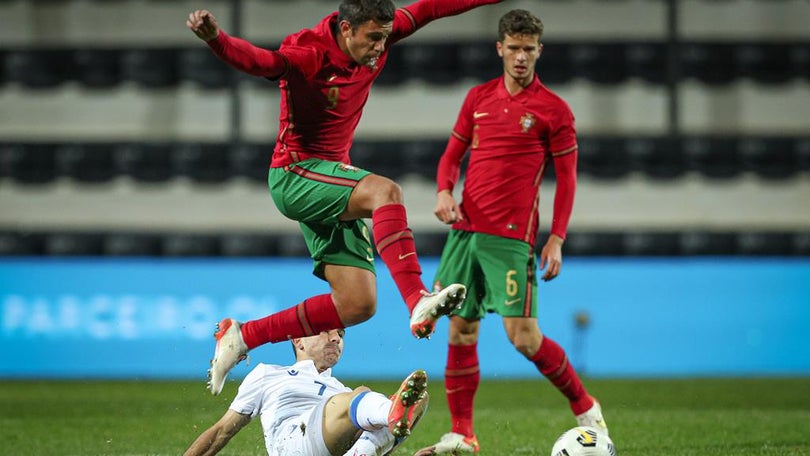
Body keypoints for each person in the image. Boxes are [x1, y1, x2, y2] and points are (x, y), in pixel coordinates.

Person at [186, 0, 504, 396]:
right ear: (346, 29)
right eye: (373, 38)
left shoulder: (379, 35)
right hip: (295, 174)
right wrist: (217, 40)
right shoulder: (309, 54)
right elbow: (260, 62)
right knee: (386, 191)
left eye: (385, 37)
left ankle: (243, 336)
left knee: (358, 303)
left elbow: (429, 8)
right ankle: (417, 298)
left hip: (329, 180)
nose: (379, 46)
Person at [414, 9, 608, 455]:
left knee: (523, 337)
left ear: (540, 50)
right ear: (499, 48)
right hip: (464, 233)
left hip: (511, 237)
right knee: (460, 331)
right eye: (514, 47)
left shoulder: (553, 110)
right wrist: (444, 191)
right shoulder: (478, 98)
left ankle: (585, 407)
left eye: (529, 48)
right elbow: (450, 157)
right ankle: (462, 434)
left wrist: (556, 237)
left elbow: (568, 179)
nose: (521, 57)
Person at [184, 328, 430, 456]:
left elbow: (374, 447)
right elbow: (221, 432)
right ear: (298, 340)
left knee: (420, 398)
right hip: (291, 444)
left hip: (335, 441)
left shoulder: (342, 393)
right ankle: (392, 411)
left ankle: (393, 413)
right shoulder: (267, 374)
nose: (336, 339)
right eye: (327, 332)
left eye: (341, 334)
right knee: (362, 399)